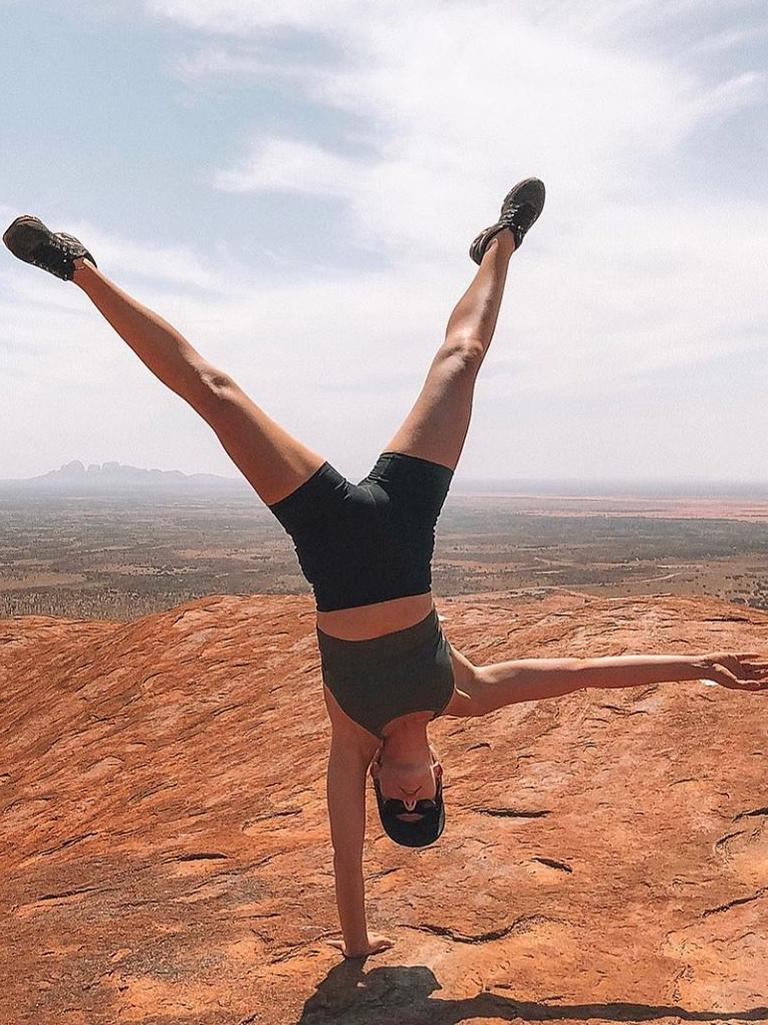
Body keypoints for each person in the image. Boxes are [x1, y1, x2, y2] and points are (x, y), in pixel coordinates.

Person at [5, 179, 768, 960]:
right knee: (464, 358)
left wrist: (359, 949)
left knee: (216, 394)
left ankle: (77, 266)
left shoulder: (350, 743)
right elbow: (578, 671)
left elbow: (345, 860)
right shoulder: (459, 693)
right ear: (439, 781)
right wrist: (698, 664)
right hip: (406, 524)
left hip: (331, 538)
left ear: (376, 791)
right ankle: (501, 240)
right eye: (422, 808)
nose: (407, 801)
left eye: (395, 811)